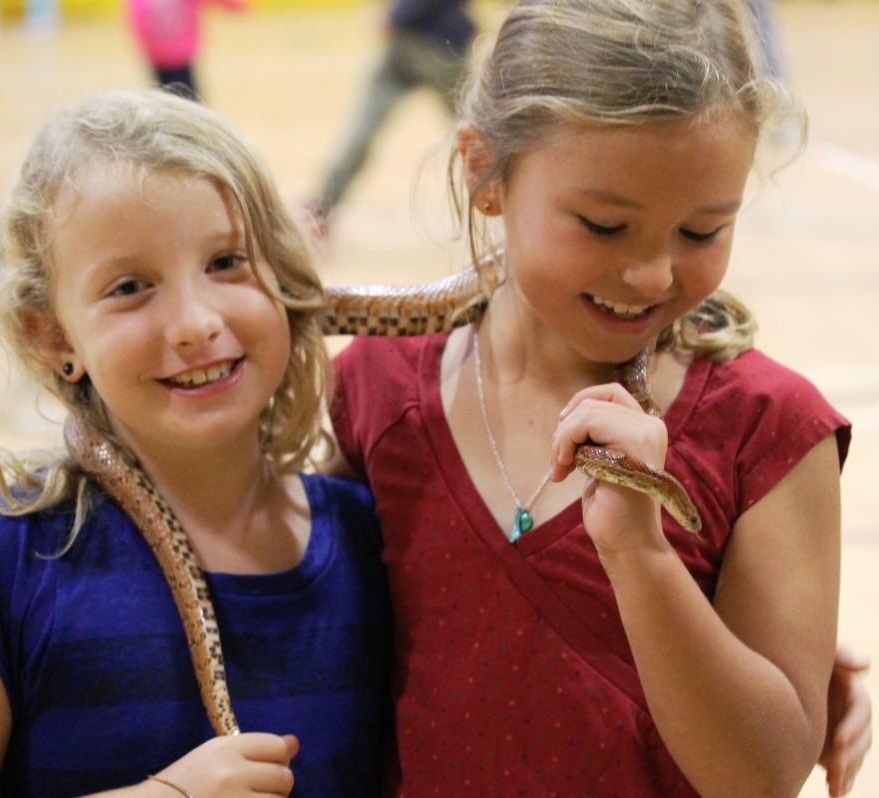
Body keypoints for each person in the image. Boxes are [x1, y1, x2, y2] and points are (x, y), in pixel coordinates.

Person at [327, 1, 862, 795]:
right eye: (604, 226)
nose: (652, 276)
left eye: (703, 231)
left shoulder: (768, 430)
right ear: (484, 173)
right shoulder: (376, 388)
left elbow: (765, 776)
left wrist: (644, 560)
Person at [0, 89, 391, 797]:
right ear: (50, 335)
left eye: (227, 262)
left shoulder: (371, 539)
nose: (195, 322)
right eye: (131, 286)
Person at [303, 0, 476, 236]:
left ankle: (322, 208)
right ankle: (515, 196)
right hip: (432, 46)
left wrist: (395, 15)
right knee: (480, 130)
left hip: (423, 45)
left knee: (363, 129)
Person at [125, 0, 248, 101]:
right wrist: (235, 7)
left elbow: (136, 24)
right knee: (188, 99)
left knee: (165, 99)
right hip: (179, 55)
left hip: (158, 56)